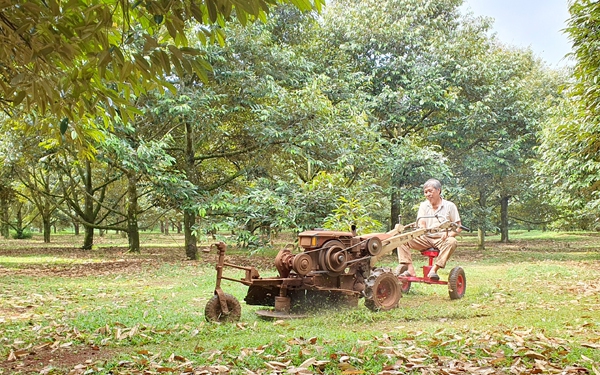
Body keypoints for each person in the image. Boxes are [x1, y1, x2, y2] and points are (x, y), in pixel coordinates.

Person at [396, 178, 462, 281]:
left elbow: (458, 227)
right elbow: (421, 223)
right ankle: (410, 270)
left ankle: (434, 270)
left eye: (430, 191)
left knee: (452, 242)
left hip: (442, 239)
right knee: (400, 239)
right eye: (425, 192)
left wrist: (449, 234)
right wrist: (421, 229)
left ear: (438, 190)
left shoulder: (450, 206)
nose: (428, 194)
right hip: (425, 238)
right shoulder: (423, 206)